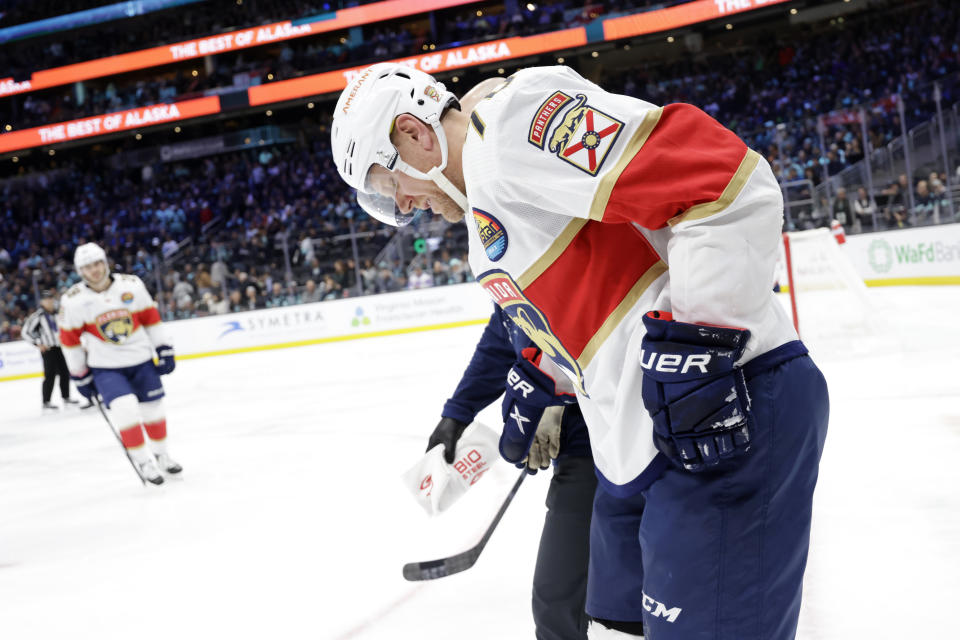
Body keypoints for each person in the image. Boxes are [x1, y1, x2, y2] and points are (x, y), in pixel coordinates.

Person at [331, 64, 829, 639]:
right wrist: (542, 388)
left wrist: (700, 347)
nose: (403, 204)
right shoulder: (483, 222)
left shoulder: (514, 127)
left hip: (728, 409)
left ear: (414, 134)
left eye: (388, 183)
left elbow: (720, 180)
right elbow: (589, 323)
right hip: (645, 448)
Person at [430, 305, 605, 640]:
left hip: (608, 442)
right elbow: (504, 331)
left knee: (563, 603)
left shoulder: (550, 253)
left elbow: (594, 317)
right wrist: (459, 410)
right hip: (575, 445)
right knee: (563, 602)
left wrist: (554, 394)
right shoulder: (503, 263)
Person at [58, 243, 182, 485]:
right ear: (80, 271)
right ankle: (143, 461)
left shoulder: (131, 285)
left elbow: (151, 319)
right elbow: (69, 342)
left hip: (141, 360)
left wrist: (164, 348)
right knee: (125, 409)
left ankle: (161, 455)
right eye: (87, 267)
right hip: (106, 367)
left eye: (97, 264)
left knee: (153, 410)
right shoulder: (73, 301)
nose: (94, 271)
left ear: (105, 263)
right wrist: (80, 374)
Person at [22, 290, 84, 410]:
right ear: (42, 302)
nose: (49, 301)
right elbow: (26, 332)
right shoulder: (38, 316)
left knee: (65, 373)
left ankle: (66, 397)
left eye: (51, 299)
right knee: (50, 375)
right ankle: (46, 402)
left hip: (61, 347)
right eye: (46, 299)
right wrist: (38, 343)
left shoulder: (59, 314)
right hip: (49, 349)